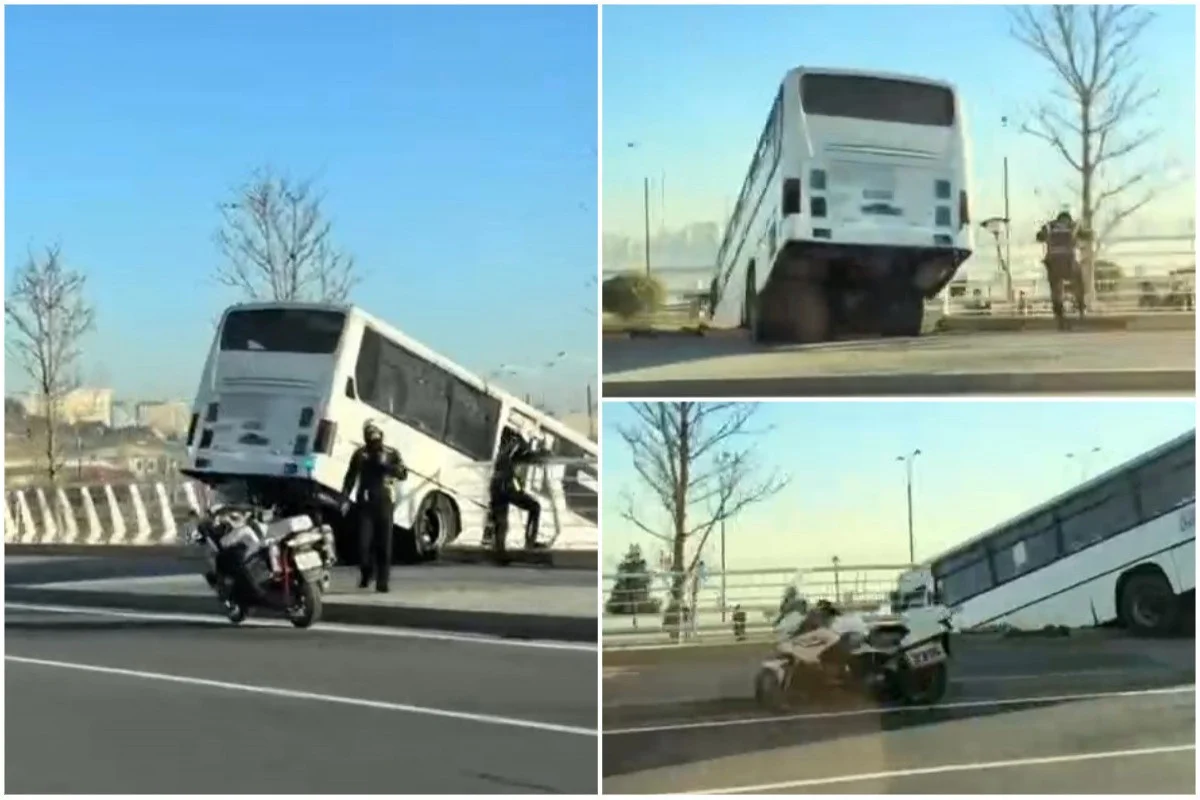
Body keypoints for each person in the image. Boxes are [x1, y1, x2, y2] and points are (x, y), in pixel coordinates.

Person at [341, 420, 408, 592]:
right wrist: (344, 498)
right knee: (363, 544)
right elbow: (350, 477)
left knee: (384, 544)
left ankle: (382, 581)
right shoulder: (360, 454)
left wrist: (386, 465)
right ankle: (366, 572)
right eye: (369, 434)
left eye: (375, 434)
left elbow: (403, 473)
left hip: (385, 502)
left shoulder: (391, 453)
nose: (372, 438)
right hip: (365, 503)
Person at [483, 429, 547, 562]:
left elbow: (514, 459)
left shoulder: (509, 444)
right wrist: (540, 456)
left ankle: (500, 553)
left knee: (502, 521)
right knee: (534, 507)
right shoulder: (518, 443)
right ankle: (530, 542)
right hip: (505, 486)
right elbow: (525, 457)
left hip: (496, 485)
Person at [1036, 210, 1091, 330]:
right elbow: (1087, 236)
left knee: (1056, 289)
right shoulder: (1073, 225)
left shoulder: (1050, 226)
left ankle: (1059, 317)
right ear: (1068, 218)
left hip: (1053, 262)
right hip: (1068, 262)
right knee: (1079, 280)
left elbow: (1039, 237)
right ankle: (1082, 308)